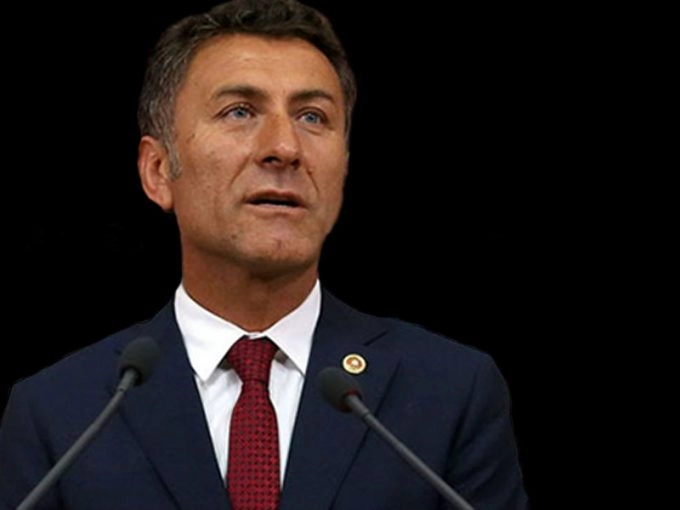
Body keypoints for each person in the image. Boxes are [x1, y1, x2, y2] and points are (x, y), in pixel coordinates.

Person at [0, 0, 528, 508]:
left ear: (344, 167)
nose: (285, 147)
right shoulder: (61, 414)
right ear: (158, 171)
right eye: (240, 111)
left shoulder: (450, 392)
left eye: (313, 117)